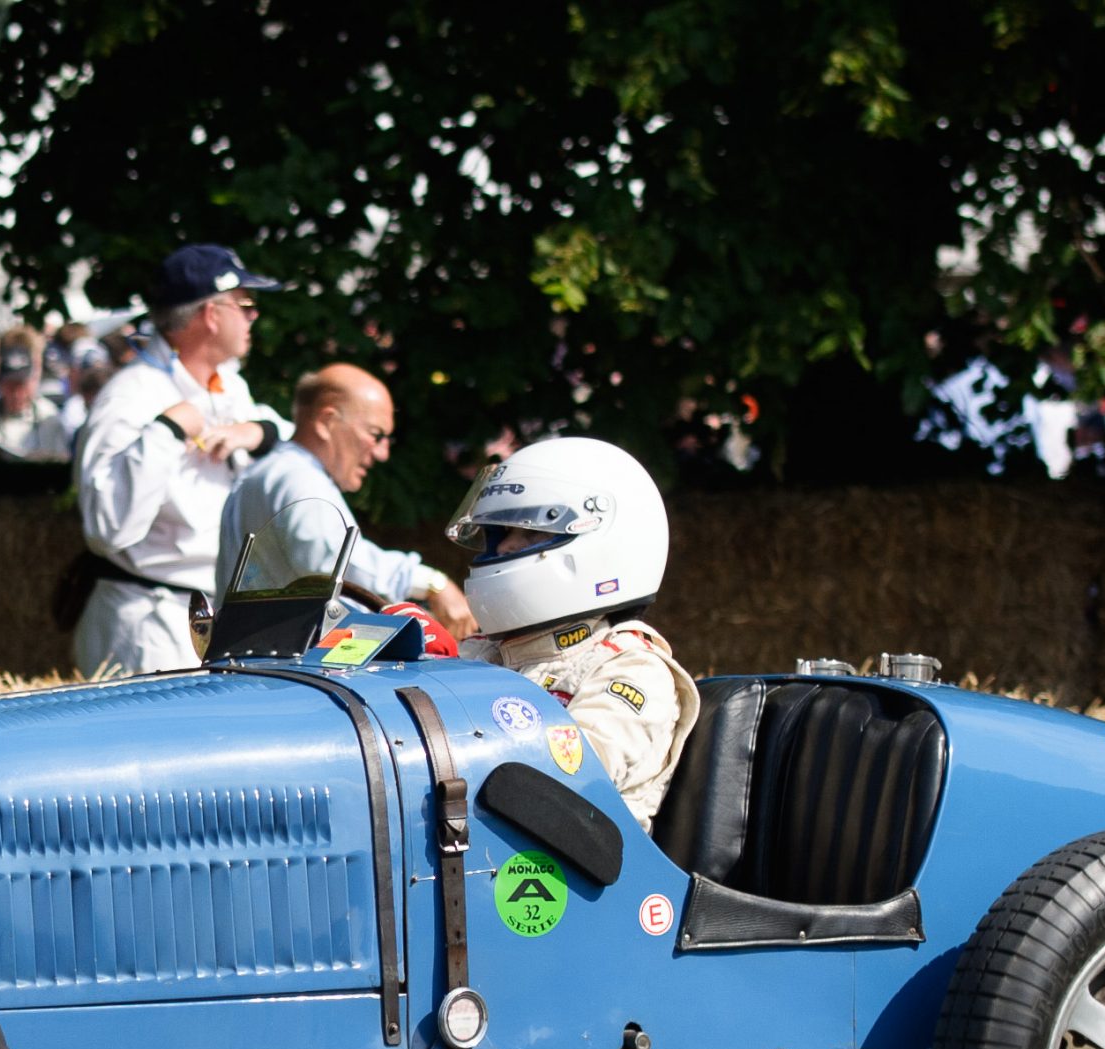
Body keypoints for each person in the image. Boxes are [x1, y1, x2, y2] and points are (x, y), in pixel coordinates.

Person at [447, 436, 697, 831]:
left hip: (566, 876)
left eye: (529, 535)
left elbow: (562, 782)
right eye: (500, 534)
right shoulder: (483, 653)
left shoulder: (630, 668)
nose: (506, 546)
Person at [74, 243, 289, 675]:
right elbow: (107, 527)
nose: (254, 316)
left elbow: (285, 435)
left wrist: (256, 432)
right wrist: (168, 431)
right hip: (147, 627)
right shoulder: (130, 396)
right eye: (246, 305)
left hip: (214, 615)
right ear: (212, 314)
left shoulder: (227, 385)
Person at [216, 363, 473, 637]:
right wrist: (431, 583)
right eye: (376, 435)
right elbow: (332, 560)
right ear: (327, 422)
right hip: (279, 669)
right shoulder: (299, 479)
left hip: (259, 662)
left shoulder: (273, 472)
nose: (382, 453)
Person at [0, 330, 72, 460]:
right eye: (10, 385)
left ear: (34, 378)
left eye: (22, 385)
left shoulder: (49, 418)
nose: (17, 394)